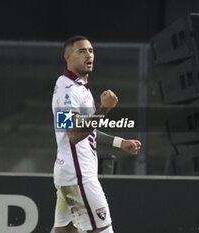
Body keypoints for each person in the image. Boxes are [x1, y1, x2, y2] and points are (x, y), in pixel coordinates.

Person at [51, 35, 142, 233]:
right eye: (81, 51)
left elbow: (87, 131)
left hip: (70, 175)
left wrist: (119, 142)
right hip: (79, 177)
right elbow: (74, 135)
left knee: (65, 230)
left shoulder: (77, 87)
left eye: (91, 51)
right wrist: (104, 109)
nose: (88, 55)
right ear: (67, 57)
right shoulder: (67, 91)